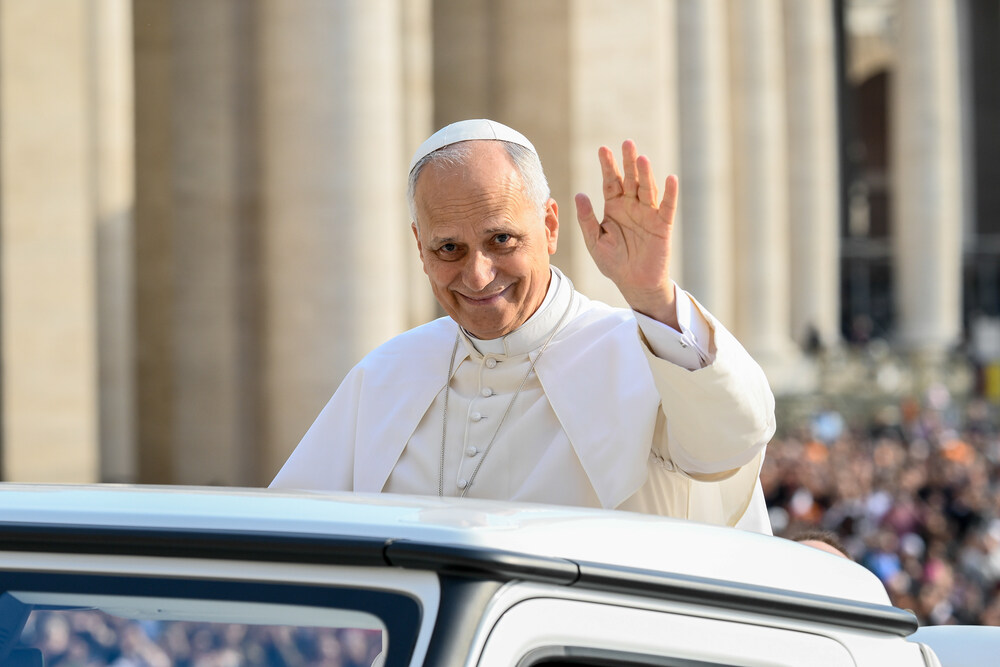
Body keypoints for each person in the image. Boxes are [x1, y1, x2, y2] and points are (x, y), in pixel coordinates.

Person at [270, 119, 776, 533]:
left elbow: (733, 440)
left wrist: (653, 297)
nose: (477, 275)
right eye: (449, 248)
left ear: (550, 226)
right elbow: (290, 534)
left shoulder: (642, 353)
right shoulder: (386, 374)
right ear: (420, 249)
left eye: (501, 240)